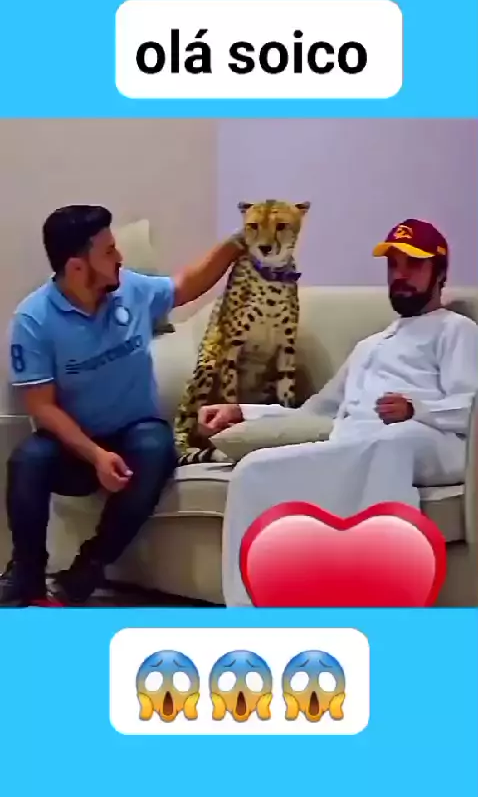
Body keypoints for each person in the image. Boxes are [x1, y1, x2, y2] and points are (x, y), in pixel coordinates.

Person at [199, 220, 478, 607]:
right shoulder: (369, 346)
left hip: (432, 443)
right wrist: (242, 411)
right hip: (356, 446)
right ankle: (249, 613)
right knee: (253, 471)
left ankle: (386, 599)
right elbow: (314, 411)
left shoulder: (456, 330)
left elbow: (471, 406)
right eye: (394, 265)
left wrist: (416, 409)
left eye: (414, 265)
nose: (400, 275)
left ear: (440, 273)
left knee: (389, 443)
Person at [0, 204, 244, 607]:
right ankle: (25, 573)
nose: (120, 257)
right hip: (76, 446)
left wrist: (237, 242)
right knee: (28, 459)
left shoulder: (130, 289)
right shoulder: (34, 319)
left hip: (134, 434)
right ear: (77, 267)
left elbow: (185, 285)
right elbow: (42, 406)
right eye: (109, 251)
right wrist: (95, 455)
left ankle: (86, 571)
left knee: (156, 446)